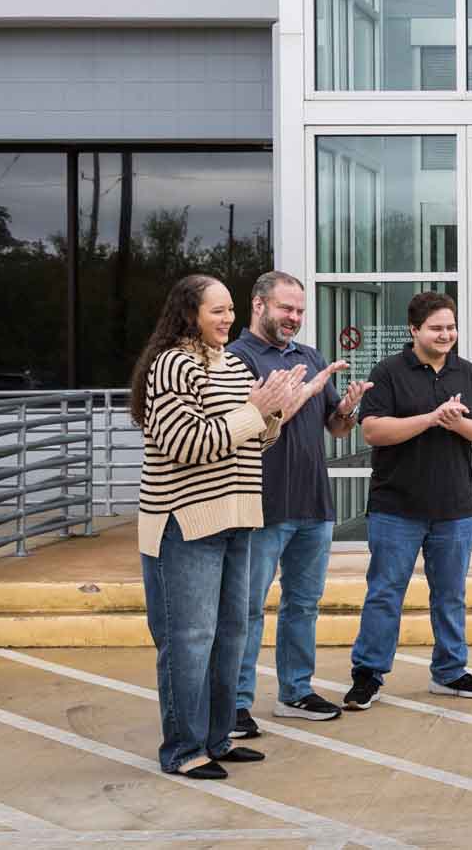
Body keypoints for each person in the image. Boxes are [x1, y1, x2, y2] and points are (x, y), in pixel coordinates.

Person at [129, 273, 329, 779]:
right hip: (185, 524)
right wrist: (256, 411)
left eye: (231, 310)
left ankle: (217, 739)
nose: (229, 319)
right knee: (189, 640)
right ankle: (182, 749)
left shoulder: (227, 363)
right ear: (189, 313)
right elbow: (185, 444)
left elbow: (252, 441)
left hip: (238, 518)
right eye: (217, 311)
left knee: (229, 635)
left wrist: (277, 412)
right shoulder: (172, 364)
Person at [228, 271, 369, 738]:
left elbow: (336, 429)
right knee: (246, 609)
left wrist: (346, 408)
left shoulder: (311, 357)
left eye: (300, 311)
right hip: (261, 506)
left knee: (303, 605)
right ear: (259, 305)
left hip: (313, 504)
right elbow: (242, 428)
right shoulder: (237, 359)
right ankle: (234, 704)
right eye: (287, 308)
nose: (295, 318)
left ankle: (295, 693)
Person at [343, 291, 472, 711]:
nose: (446, 334)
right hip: (396, 508)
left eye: (451, 327)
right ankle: (368, 675)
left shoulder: (468, 373)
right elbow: (373, 431)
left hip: (454, 508)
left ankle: (449, 672)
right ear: (414, 330)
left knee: (450, 595)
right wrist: (432, 418)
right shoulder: (390, 372)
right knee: (384, 594)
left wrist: (458, 423)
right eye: (436, 328)